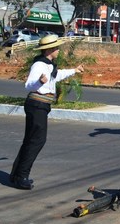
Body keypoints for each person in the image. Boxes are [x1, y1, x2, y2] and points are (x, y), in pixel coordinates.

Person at [10, 35, 84, 190]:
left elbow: (57, 76)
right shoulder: (39, 65)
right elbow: (28, 85)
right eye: (56, 47)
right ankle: (22, 176)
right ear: (50, 49)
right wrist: (39, 82)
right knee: (37, 140)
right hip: (37, 104)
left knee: (30, 140)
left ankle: (16, 175)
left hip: (41, 106)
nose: (58, 50)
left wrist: (74, 70)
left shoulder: (49, 65)